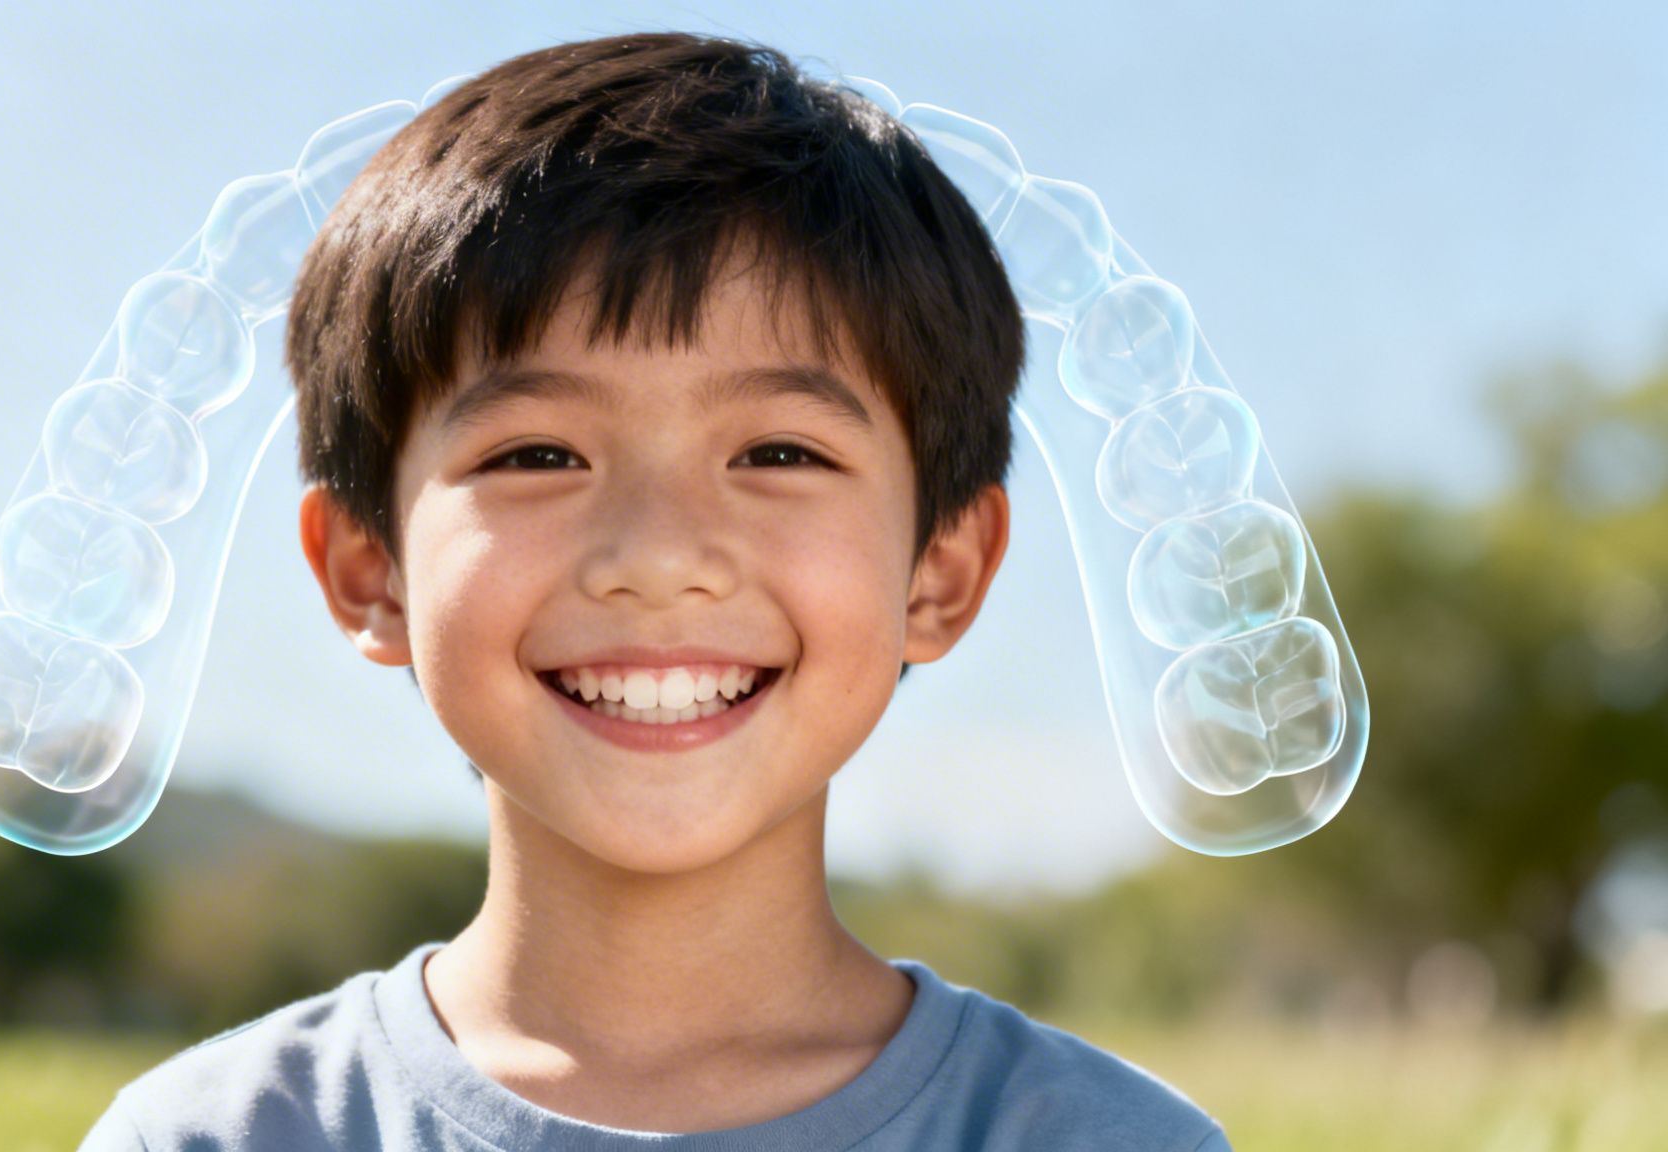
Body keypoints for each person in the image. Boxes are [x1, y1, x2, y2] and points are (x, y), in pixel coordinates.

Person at [79, 31, 1232, 1151]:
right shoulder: (213, 1136)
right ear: (366, 569)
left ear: (940, 572)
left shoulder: (1103, 1140)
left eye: (778, 454)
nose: (658, 553)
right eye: (535, 454)